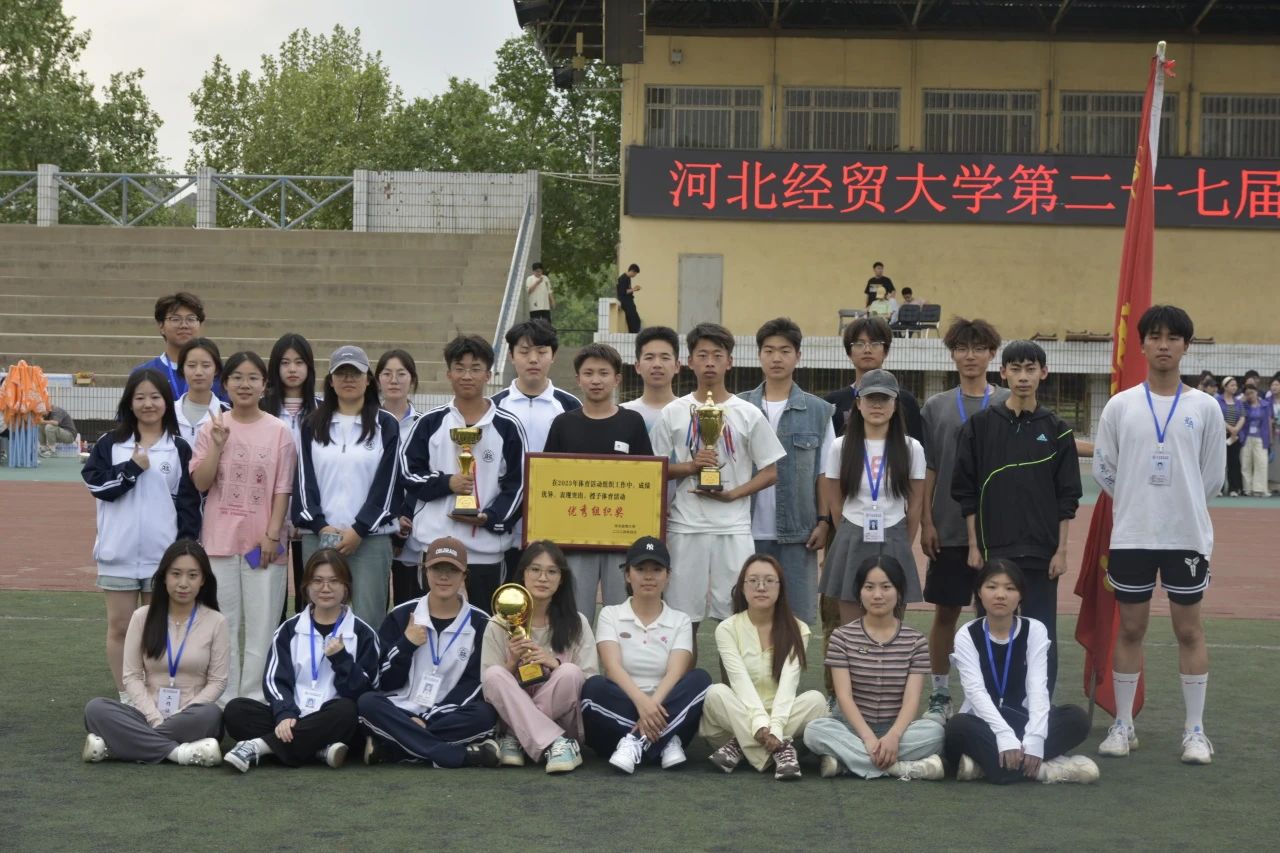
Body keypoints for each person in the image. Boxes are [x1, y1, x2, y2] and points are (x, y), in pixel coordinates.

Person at [1093, 305, 1225, 765]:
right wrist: (1139, 499)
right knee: (1131, 628)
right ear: (1143, 344)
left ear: (1186, 346)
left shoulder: (1205, 407)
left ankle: (1195, 731)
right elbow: (1104, 468)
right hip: (1133, 535)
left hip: (1186, 536)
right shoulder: (1121, 405)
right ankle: (1123, 724)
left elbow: (1212, 477)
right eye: (1155, 336)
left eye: (1173, 337)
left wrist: (1177, 503)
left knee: (1189, 630)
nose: (1164, 345)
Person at [952, 339, 1082, 696]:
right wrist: (974, 546)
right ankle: (988, 705)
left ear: (1043, 373)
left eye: (1030, 369)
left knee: (1041, 636)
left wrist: (1061, 551)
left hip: (1042, 553)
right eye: (1016, 369)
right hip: (994, 551)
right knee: (990, 633)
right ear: (1003, 373)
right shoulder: (979, 427)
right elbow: (965, 491)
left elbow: (1067, 496)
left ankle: (1039, 709)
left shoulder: (1058, 429)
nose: (1023, 377)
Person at [649, 323, 785, 640]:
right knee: (684, 622)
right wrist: (690, 466)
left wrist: (733, 494)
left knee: (737, 621)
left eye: (717, 355)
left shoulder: (748, 413)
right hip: (685, 526)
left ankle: (732, 676)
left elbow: (771, 471)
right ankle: (684, 675)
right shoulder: (673, 412)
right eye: (702, 355)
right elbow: (653, 469)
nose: (709, 362)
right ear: (689, 362)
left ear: (730, 362)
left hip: (733, 527)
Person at [83, 370, 201, 702]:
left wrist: (184, 549)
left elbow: (189, 505)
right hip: (117, 554)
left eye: (155, 397)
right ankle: (127, 695)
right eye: (140, 397)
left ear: (166, 402)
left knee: (157, 629)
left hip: (162, 557)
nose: (148, 404)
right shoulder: (110, 444)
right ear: (129, 402)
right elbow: (97, 486)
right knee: (120, 627)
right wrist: (132, 468)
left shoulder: (178, 448)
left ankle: (153, 693)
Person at [191, 351, 296, 703]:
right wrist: (217, 446)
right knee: (223, 626)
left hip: (263, 547)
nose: (245, 384)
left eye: (253, 378)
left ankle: (254, 701)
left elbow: (283, 489)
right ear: (225, 384)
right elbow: (201, 483)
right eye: (237, 377)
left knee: (262, 627)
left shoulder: (279, 431)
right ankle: (223, 700)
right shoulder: (212, 427)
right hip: (219, 544)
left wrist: (271, 535)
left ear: (264, 385)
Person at [919, 317, 1008, 723]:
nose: (970, 356)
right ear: (953, 354)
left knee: (995, 613)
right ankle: (940, 693)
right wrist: (927, 521)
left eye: (978, 348)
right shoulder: (936, 407)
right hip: (949, 527)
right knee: (946, 613)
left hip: (998, 530)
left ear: (992, 354)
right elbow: (929, 468)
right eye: (962, 348)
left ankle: (990, 693)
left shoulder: (1008, 401)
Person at [222, 549, 380, 771]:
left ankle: (259, 746)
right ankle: (318, 749)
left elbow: (365, 692)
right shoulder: (289, 629)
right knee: (236, 711)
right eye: (318, 581)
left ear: (346, 587)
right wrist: (285, 713)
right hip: (293, 715)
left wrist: (341, 659)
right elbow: (275, 681)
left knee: (347, 711)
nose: (325, 588)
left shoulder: (362, 633)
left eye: (334, 581)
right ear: (306, 586)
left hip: (332, 718)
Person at [944, 559, 1099, 784]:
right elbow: (975, 691)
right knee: (956, 728)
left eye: (1010, 588)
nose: (1000, 595)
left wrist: (1036, 737)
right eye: (992, 587)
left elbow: (1037, 687)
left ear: (1021, 595)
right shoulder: (967, 634)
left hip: (1023, 720)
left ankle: (990, 767)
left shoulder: (1034, 629)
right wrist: (1004, 735)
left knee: (1077, 719)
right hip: (984, 723)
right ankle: (1044, 769)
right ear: (979, 592)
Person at [401, 335, 526, 613]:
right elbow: (409, 474)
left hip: (486, 550)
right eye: (459, 368)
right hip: (436, 546)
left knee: (486, 624)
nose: (467, 376)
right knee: (431, 622)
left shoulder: (507, 426)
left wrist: (490, 517)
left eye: (475, 368)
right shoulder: (430, 422)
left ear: (488, 375)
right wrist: (448, 483)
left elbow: (518, 484)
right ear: (449, 374)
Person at [357, 537, 501, 767]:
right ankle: (457, 755)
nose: (444, 577)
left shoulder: (481, 622)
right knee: (367, 703)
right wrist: (406, 644)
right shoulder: (402, 615)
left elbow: (474, 684)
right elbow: (383, 680)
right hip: (402, 708)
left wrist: (428, 719)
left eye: (452, 570)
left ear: (464, 575)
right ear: (425, 571)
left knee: (485, 715)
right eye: (437, 569)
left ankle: (395, 748)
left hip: (450, 713)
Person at [82, 540, 228, 767]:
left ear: (203, 580)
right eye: (176, 574)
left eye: (192, 576)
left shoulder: (216, 621)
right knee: (96, 709)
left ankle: (117, 747)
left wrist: (182, 713)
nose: (183, 583)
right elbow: (131, 676)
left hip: (191, 717)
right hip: (146, 713)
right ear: (164, 577)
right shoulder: (142, 616)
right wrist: (154, 717)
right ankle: (180, 753)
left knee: (211, 715)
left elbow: (218, 682)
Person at [803, 556, 946, 780]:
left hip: (897, 730)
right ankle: (900, 768)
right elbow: (844, 696)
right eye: (869, 587)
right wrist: (868, 738)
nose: (877, 595)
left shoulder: (915, 641)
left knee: (936, 733)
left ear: (899, 591)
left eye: (886, 587)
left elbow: (911, 700)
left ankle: (848, 763)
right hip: (851, 729)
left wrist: (894, 736)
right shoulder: (842, 637)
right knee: (814, 731)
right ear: (859, 592)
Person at [581, 537, 712, 773]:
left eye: (657, 570)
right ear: (627, 575)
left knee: (700, 679)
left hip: (665, 708)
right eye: (640, 569)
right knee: (594, 688)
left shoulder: (680, 620)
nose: (648, 576)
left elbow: (675, 672)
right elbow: (612, 668)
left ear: (668, 576)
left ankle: (634, 741)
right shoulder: (610, 614)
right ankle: (664, 741)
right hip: (626, 708)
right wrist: (642, 704)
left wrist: (651, 708)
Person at [294, 346, 401, 627]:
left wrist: (360, 529)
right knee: (319, 619)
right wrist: (320, 525)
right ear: (330, 381)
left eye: (356, 373)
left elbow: (388, 484)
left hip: (370, 539)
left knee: (368, 621)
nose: (349, 379)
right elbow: (304, 480)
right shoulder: (312, 424)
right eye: (341, 373)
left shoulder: (386, 424)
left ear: (368, 379)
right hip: (320, 537)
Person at [544, 343, 654, 615]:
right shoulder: (563, 423)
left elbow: (648, 480)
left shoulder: (632, 422)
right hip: (574, 536)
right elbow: (548, 479)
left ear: (617, 379)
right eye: (588, 373)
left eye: (603, 373)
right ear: (578, 378)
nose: (596, 380)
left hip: (622, 537)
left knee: (621, 613)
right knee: (575, 614)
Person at [739, 318, 835, 625]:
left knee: (797, 620)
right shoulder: (738, 407)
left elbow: (824, 473)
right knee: (746, 620)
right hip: (744, 531)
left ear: (798, 356)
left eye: (785, 351)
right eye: (769, 351)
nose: (776, 358)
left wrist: (824, 521)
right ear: (759, 355)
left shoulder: (819, 411)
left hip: (798, 533)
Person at [700, 555, 827, 779]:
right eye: (753, 581)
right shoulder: (727, 629)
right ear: (742, 587)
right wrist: (759, 725)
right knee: (715, 693)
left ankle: (741, 746)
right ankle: (781, 750)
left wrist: (775, 726)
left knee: (816, 701)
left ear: (780, 587)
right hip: (738, 717)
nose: (761, 587)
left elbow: (789, 683)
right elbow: (739, 681)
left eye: (769, 580)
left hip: (782, 719)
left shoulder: (798, 629)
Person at [481, 541, 598, 773]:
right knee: (494, 674)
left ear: (561, 579)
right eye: (535, 569)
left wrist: (554, 664)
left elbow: (589, 678)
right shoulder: (499, 623)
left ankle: (518, 737)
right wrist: (512, 662)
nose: (543, 578)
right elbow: (489, 687)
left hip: (559, 719)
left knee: (570, 672)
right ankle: (556, 744)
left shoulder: (577, 622)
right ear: (523, 574)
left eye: (552, 572)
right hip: (516, 716)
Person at [820, 369, 925, 626]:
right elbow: (835, 501)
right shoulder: (840, 446)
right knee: (851, 626)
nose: (877, 405)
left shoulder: (912, 448)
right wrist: (848, 530)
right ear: (858, 403)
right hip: (851, 534)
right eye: (870, 398)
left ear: (895, 404)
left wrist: (902, 540)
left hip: (895, 535)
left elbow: (915, 505)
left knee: (889, 627)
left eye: (884, 398)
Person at [492, 320, 581, 576]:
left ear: (553, 355)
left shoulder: (570, 406)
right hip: (503, 523)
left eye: (541, 352)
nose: (533, 359)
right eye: (524, 351)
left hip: (553, 521)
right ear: (511, 356)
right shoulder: (494, 406)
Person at [261, 333, 319, 618]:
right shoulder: (260, 409)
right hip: (269, 518)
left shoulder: (323, 410)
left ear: (309, 367)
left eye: (299, 362)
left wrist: (303, 512)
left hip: (311, 518)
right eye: (285, 363)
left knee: (312, 589)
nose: (292, 369)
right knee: (271, 594)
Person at [378, 348, 426, 606]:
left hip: (413, 526)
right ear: (377, 380)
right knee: (373, 605)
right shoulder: (368, 423)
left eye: (401, 374)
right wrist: (390, 518)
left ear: (413, 379)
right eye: (387, 374)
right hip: (374, 526)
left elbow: (424, 476)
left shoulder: (425, 425)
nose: (394, 380)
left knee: (410, 606)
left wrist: (405, 519)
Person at [825, 316, 923, 441]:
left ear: (885, 352)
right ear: (849, 353)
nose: (867, 350)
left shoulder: (906, 401)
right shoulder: (832, 403)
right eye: (859, 344)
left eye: (875, 343)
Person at [133, 292, 223, 401]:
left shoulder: (218, 373)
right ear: (161, 326)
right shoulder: (144, 373)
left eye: (191, 319)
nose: (184, 325)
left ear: (200, 325)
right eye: (175, 319)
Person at [621, 325, 681, 430]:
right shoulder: (623, 413)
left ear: (677, 366)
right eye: (649, 358)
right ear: (637, 367)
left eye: (665, 358)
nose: (657, 364)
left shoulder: (690, 411)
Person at [174, 338, 228, 443]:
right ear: (182, 369)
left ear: (216, 369)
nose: (198, 372)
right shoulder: (168, 412)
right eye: (191, 365)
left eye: (206, 366)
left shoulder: (227, 411)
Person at [1238, 381, 1270, 497]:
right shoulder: (1243, 405)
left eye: (1252, 392)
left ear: (1256, 392)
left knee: (1261, 463)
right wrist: (1241, 401)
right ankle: (1247, 488)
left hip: (1260, 437)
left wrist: (1269, 440)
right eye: (1247, 394)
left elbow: (1268, 423)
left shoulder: (1265, 405)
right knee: (1246, 463)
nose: (1250, 395)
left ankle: (1259, 489)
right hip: (1246, 437)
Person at [1218, 376, 1244, 496]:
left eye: (1235, 385)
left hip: (1235, 437)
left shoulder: (1238, 402)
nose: (1235, 387)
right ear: (1225, 387)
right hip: (1221, 436)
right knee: (1220, 462)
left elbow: (1243, 416)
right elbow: (1217, 417)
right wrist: (1230, 428)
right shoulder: (1218, 400)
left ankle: (1233, 488)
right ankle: (1219, 488)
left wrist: (1236, 429)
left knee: (1234, 462)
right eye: (1232, 385)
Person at [617, 263, 643, 333]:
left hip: (629, 301)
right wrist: (634, 289)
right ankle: (633, 334)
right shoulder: (623, 278)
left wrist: (633, 289)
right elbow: (623, 292)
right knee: (633, 320)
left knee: (636, 320)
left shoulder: (628, 278)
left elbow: (627, 290)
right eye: (635, 274)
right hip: (625, 302)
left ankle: (634, 333)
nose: (635, 275)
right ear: (632, 271)